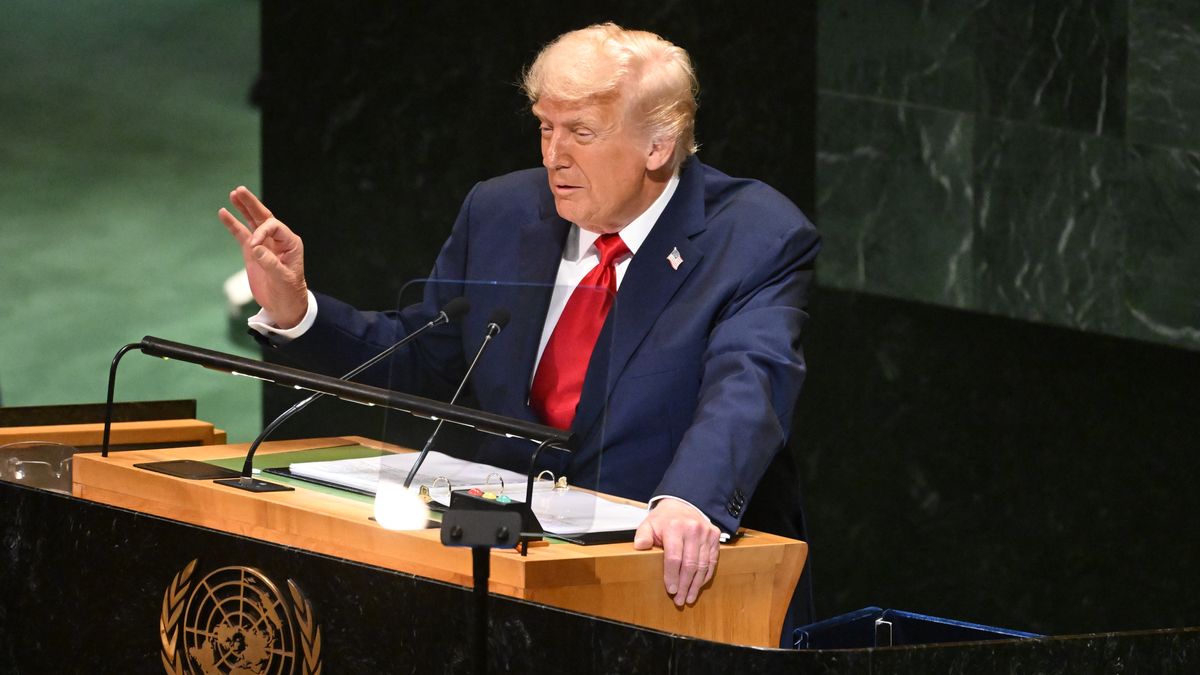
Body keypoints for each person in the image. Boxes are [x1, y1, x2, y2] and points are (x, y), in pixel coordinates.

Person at [220, 23, 819, 636]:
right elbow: (425, 357)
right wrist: (297, 310)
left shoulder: (752, 236)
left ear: (659, 145)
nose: (554, 154)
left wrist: (692, 498)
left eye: (581, 133)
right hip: (496, 561)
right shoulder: (503, 211)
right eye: (545, 127)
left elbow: (748, 382)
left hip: (653, 576)